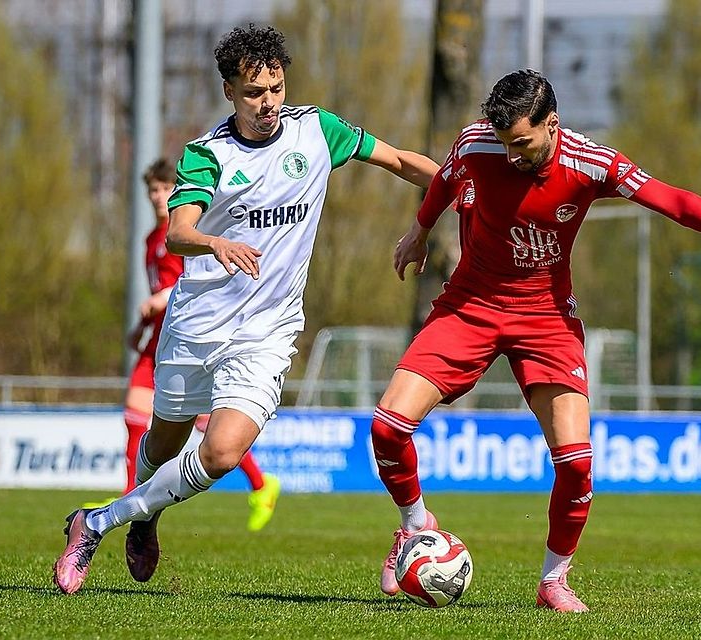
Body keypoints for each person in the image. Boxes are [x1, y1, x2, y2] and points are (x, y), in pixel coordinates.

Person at [371, 69, 701, 613]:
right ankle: (415, 528)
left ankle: (554, 582)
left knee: (575, 462)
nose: (510, 156)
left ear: (552, 124)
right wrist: (419, 230)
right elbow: (444, 182)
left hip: (546, 319)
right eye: (504, 143)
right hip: (471, 305)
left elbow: (668, 198)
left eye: (522, 144)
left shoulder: (590, 162)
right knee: (388, 428)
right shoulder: (477, 142)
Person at [53, 24, 439, 595]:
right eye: (255, 92)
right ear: (230, 91)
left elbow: (402, 161)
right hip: (197, 324)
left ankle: (99, 521)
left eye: (277, 88)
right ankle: (147, 515)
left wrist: (467, 188)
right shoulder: (208, 156)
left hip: (268, 331)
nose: (270, 103)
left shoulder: (317, 131)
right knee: (161, 445)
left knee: (224, 450)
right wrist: (216, 243)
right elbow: (178, 233)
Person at [82, 159, 281, 533]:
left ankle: (260, 484)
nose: (159, 198)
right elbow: (157, 294)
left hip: (187, 336)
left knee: (208, 427)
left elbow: (199, 282)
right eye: (153, 191)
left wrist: (160, 301)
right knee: (135, 417)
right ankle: (130, 496)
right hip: (155, 339)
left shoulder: (186, 234)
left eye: (165, 190)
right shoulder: (150, 241)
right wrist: (141, 326)